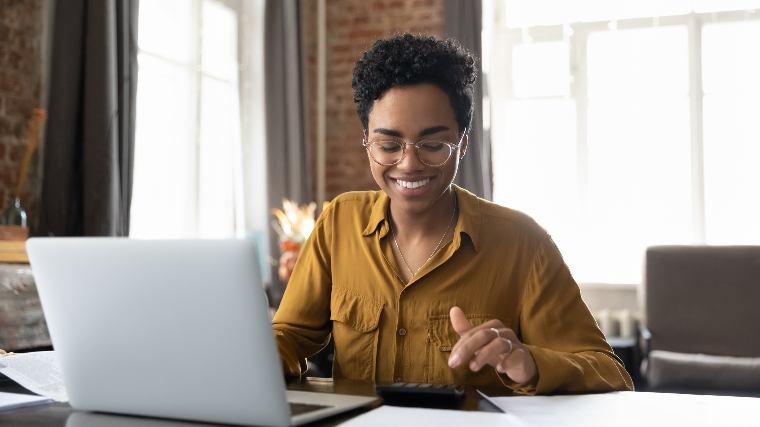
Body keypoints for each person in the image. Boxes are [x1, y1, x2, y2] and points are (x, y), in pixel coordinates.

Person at [272, 33, 633, 394]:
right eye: (388, 145)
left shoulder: (523, 244)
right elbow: (289, 335)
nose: (409, 164)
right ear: (366, 141)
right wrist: (262, 355)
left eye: (432, 145)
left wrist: (529, 363)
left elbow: (611, 374)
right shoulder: (339, 223)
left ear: (463, 141)